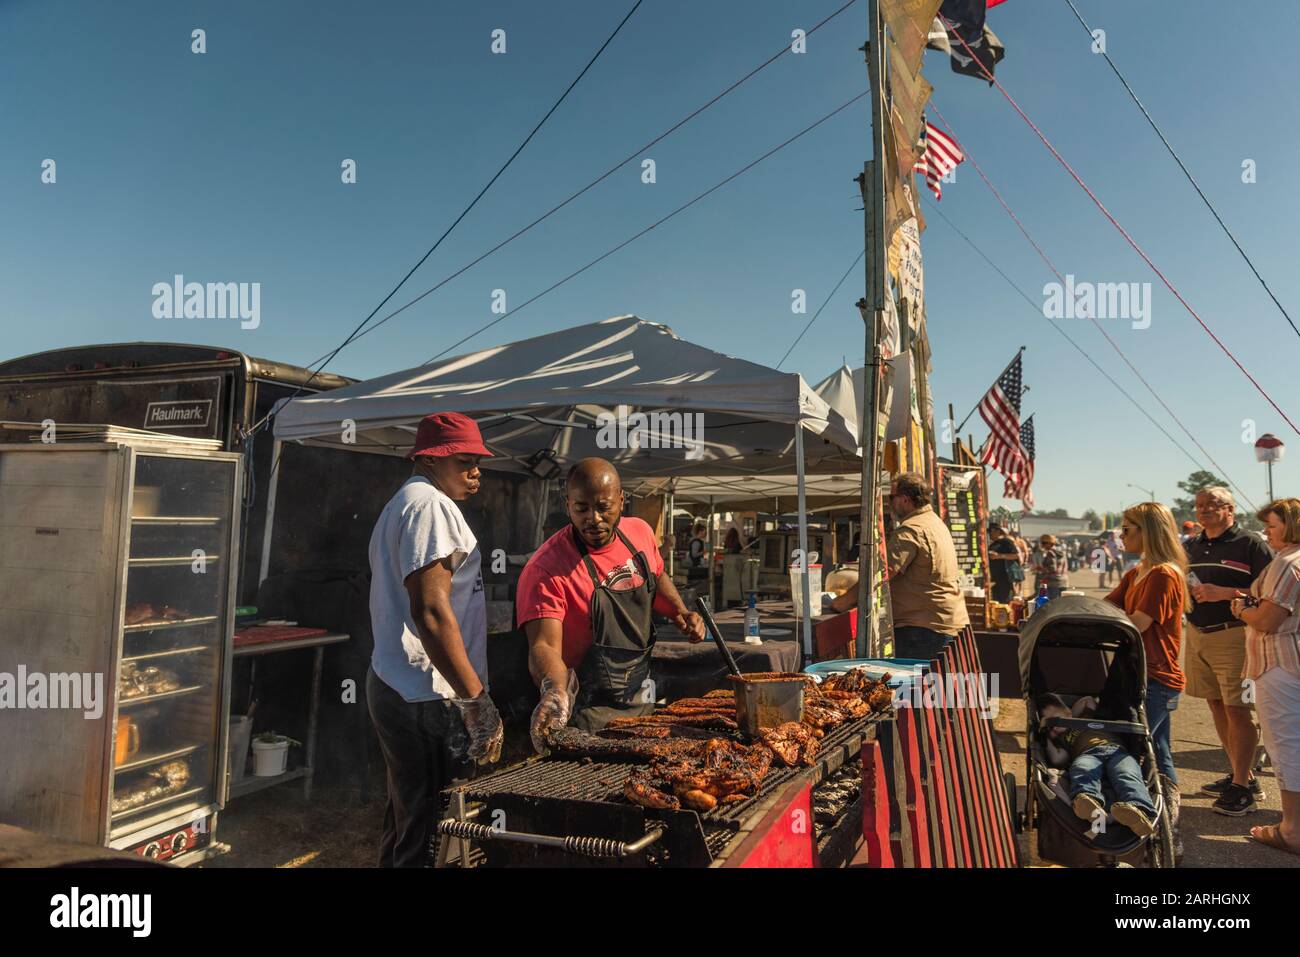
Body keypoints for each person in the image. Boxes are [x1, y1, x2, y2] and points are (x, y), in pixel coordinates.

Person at [366, 412, 503, 867]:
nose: (475, 470)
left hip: (400, 684)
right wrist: (475, 699)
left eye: (477, 461)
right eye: (464, 461)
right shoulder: (429, 506)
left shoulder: (404, 503)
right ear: (428, 458)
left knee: (407, 817)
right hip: (423, 692)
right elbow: (431, 611)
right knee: (429, 833)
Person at [519, 458, 706, 742]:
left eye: (604, 507)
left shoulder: (640, 532)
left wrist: (680, 612)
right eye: (581, 508)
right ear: (567, 503)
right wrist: (555, 690)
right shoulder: (547, 568)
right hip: (588, 711)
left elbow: (656, 574)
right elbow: (544, 645)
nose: (593, 519)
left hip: (640, 696)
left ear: (621, 500)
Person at [1104, 501, 1187, 854]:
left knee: (1136, 746)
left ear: (1148, 532)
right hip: (1138, 672)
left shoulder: (1163, 575)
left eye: (1127, 529)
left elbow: (1137, 624)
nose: (1121, 535)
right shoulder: (1136, 573)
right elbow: (1107, 607)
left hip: (1156, 675)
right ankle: (1167, 828)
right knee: (1158, 750)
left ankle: (1158, 823)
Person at [1184, 486, 1272, 816]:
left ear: (1230, 509)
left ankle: (1242, 789)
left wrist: (1225, 592)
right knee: (1216, 704)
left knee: (1238, 709)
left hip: (1234, 634)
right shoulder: (1191, 545)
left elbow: (1270, 590)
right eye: (1200, 505)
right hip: (1197, 634)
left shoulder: (1250, 544)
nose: (1204, 510)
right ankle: (1242, 776)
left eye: (1212, 504)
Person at [1231, 498, 1300, 856]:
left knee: (1285, 745)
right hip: (1291, 660)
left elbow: (1268, 621)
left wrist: (1243, 609)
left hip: (1279, 663)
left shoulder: (1288, 563)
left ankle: (1292, 830)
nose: (1268, 532)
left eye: (1272, 526)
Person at [1039, 694, 1157, 837]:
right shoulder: (1063, 739)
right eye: (1052, 726)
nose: (1055, 728)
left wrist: (1070, 717)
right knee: (1082, 769)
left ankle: (1138, 810)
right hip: (1087, 754)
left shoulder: (1086, 717)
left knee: (1126, 773)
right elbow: (1057, 759)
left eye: (1057, 720)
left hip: (1117, 751)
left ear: (1068, 713)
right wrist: (1047, 737)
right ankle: (1087, 800)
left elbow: (1087, 700)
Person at [885, 472, 969, 660]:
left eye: (891, 497)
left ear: (905, 499)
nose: (889, 503)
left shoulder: (911, 530)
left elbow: (880, 575)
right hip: (945, 622)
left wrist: (842, 603)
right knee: (935, 688)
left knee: (912, 689)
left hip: (922, 628)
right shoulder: (935, 523)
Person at [987, 524, 1022, 604]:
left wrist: (999, 556)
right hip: (995, 579)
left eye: (991, 531)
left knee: (1006, 601)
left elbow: (1016, 555)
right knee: (997, 602)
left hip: (1005, 578)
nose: (990, 534)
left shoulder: (1006, 542)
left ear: (998, 531)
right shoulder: (992, 544)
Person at [1034, 534, 1069, 600]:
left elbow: (1052, 569)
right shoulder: (1061, 552)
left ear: (1050, 543)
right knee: (1061, 603)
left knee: (1053, 605)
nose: (1042, 545)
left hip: (1053, 583)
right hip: (1064, 581)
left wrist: (1041, 569)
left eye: (1044, 543)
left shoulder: (1050, 553)